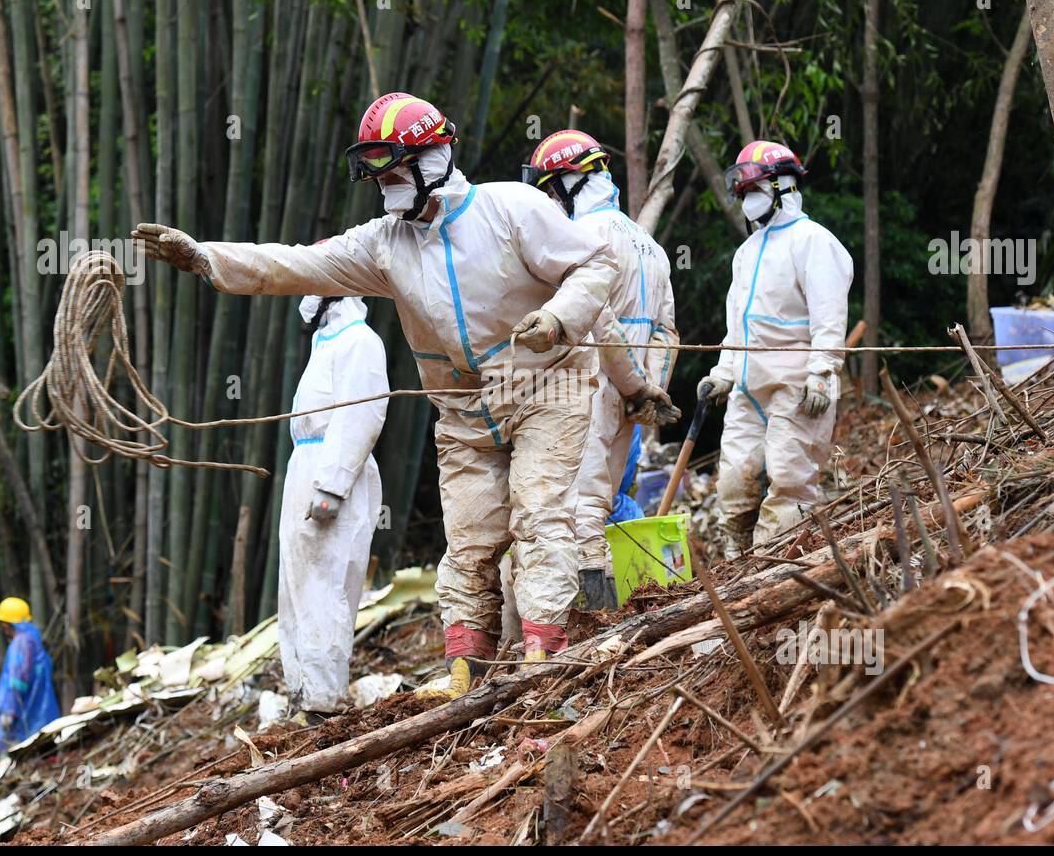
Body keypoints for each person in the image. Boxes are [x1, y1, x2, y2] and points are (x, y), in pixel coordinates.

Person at [133, 92, 677, 702]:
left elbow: (595, 272)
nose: (387, 187)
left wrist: (559, 323)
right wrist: (209, 259)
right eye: (380, 176)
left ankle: (545, 665)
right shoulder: (385, 245)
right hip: (465, 411)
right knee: (469, 542)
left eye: (396, 172)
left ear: (436, 157)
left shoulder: (512, 208)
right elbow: (297, 265)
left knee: (544, 517)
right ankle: (468, 677)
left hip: (550, 390)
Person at [521, 129, 679, 609]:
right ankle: (618, 619)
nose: (550, 201)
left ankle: (594, 621)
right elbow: (669, 330)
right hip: (630, 396)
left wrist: (631, 384)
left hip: (590, 385)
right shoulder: (649, 244)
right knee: (603, 502)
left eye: (552, 188)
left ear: (572, 181)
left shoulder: (583, 236)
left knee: (579, 510)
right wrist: (649, 390)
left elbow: (597, 319)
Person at [697, 140, 853, 558]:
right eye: (744, 193)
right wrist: (723, 373)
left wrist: (823, 372)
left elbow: (829, 317)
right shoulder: (747, 252)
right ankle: (736, 560)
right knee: (734, 479)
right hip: (748, 384)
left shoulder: (814, 242)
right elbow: (738, 324)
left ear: (784, 186)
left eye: (754, 190)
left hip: (798, 383)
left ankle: (777, 564)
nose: (748, 200)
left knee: (789, 477)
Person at [279, 294, 387, 715]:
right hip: (306, 462)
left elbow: (361, 417)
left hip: (330, 466)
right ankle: (304, 690)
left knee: (326, 581)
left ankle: (325, 698)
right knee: (299, 586)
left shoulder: (359, 341)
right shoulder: (326, 341)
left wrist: (332, 484)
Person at [0, 597, 61, 759]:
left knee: (5, 753)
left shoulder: (21, 643)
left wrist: (10, 711)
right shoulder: (33, 638)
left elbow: (18, 681)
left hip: (23, 713)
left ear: (9, 623)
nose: (2, 626)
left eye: (3, 621)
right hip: (37, 711)